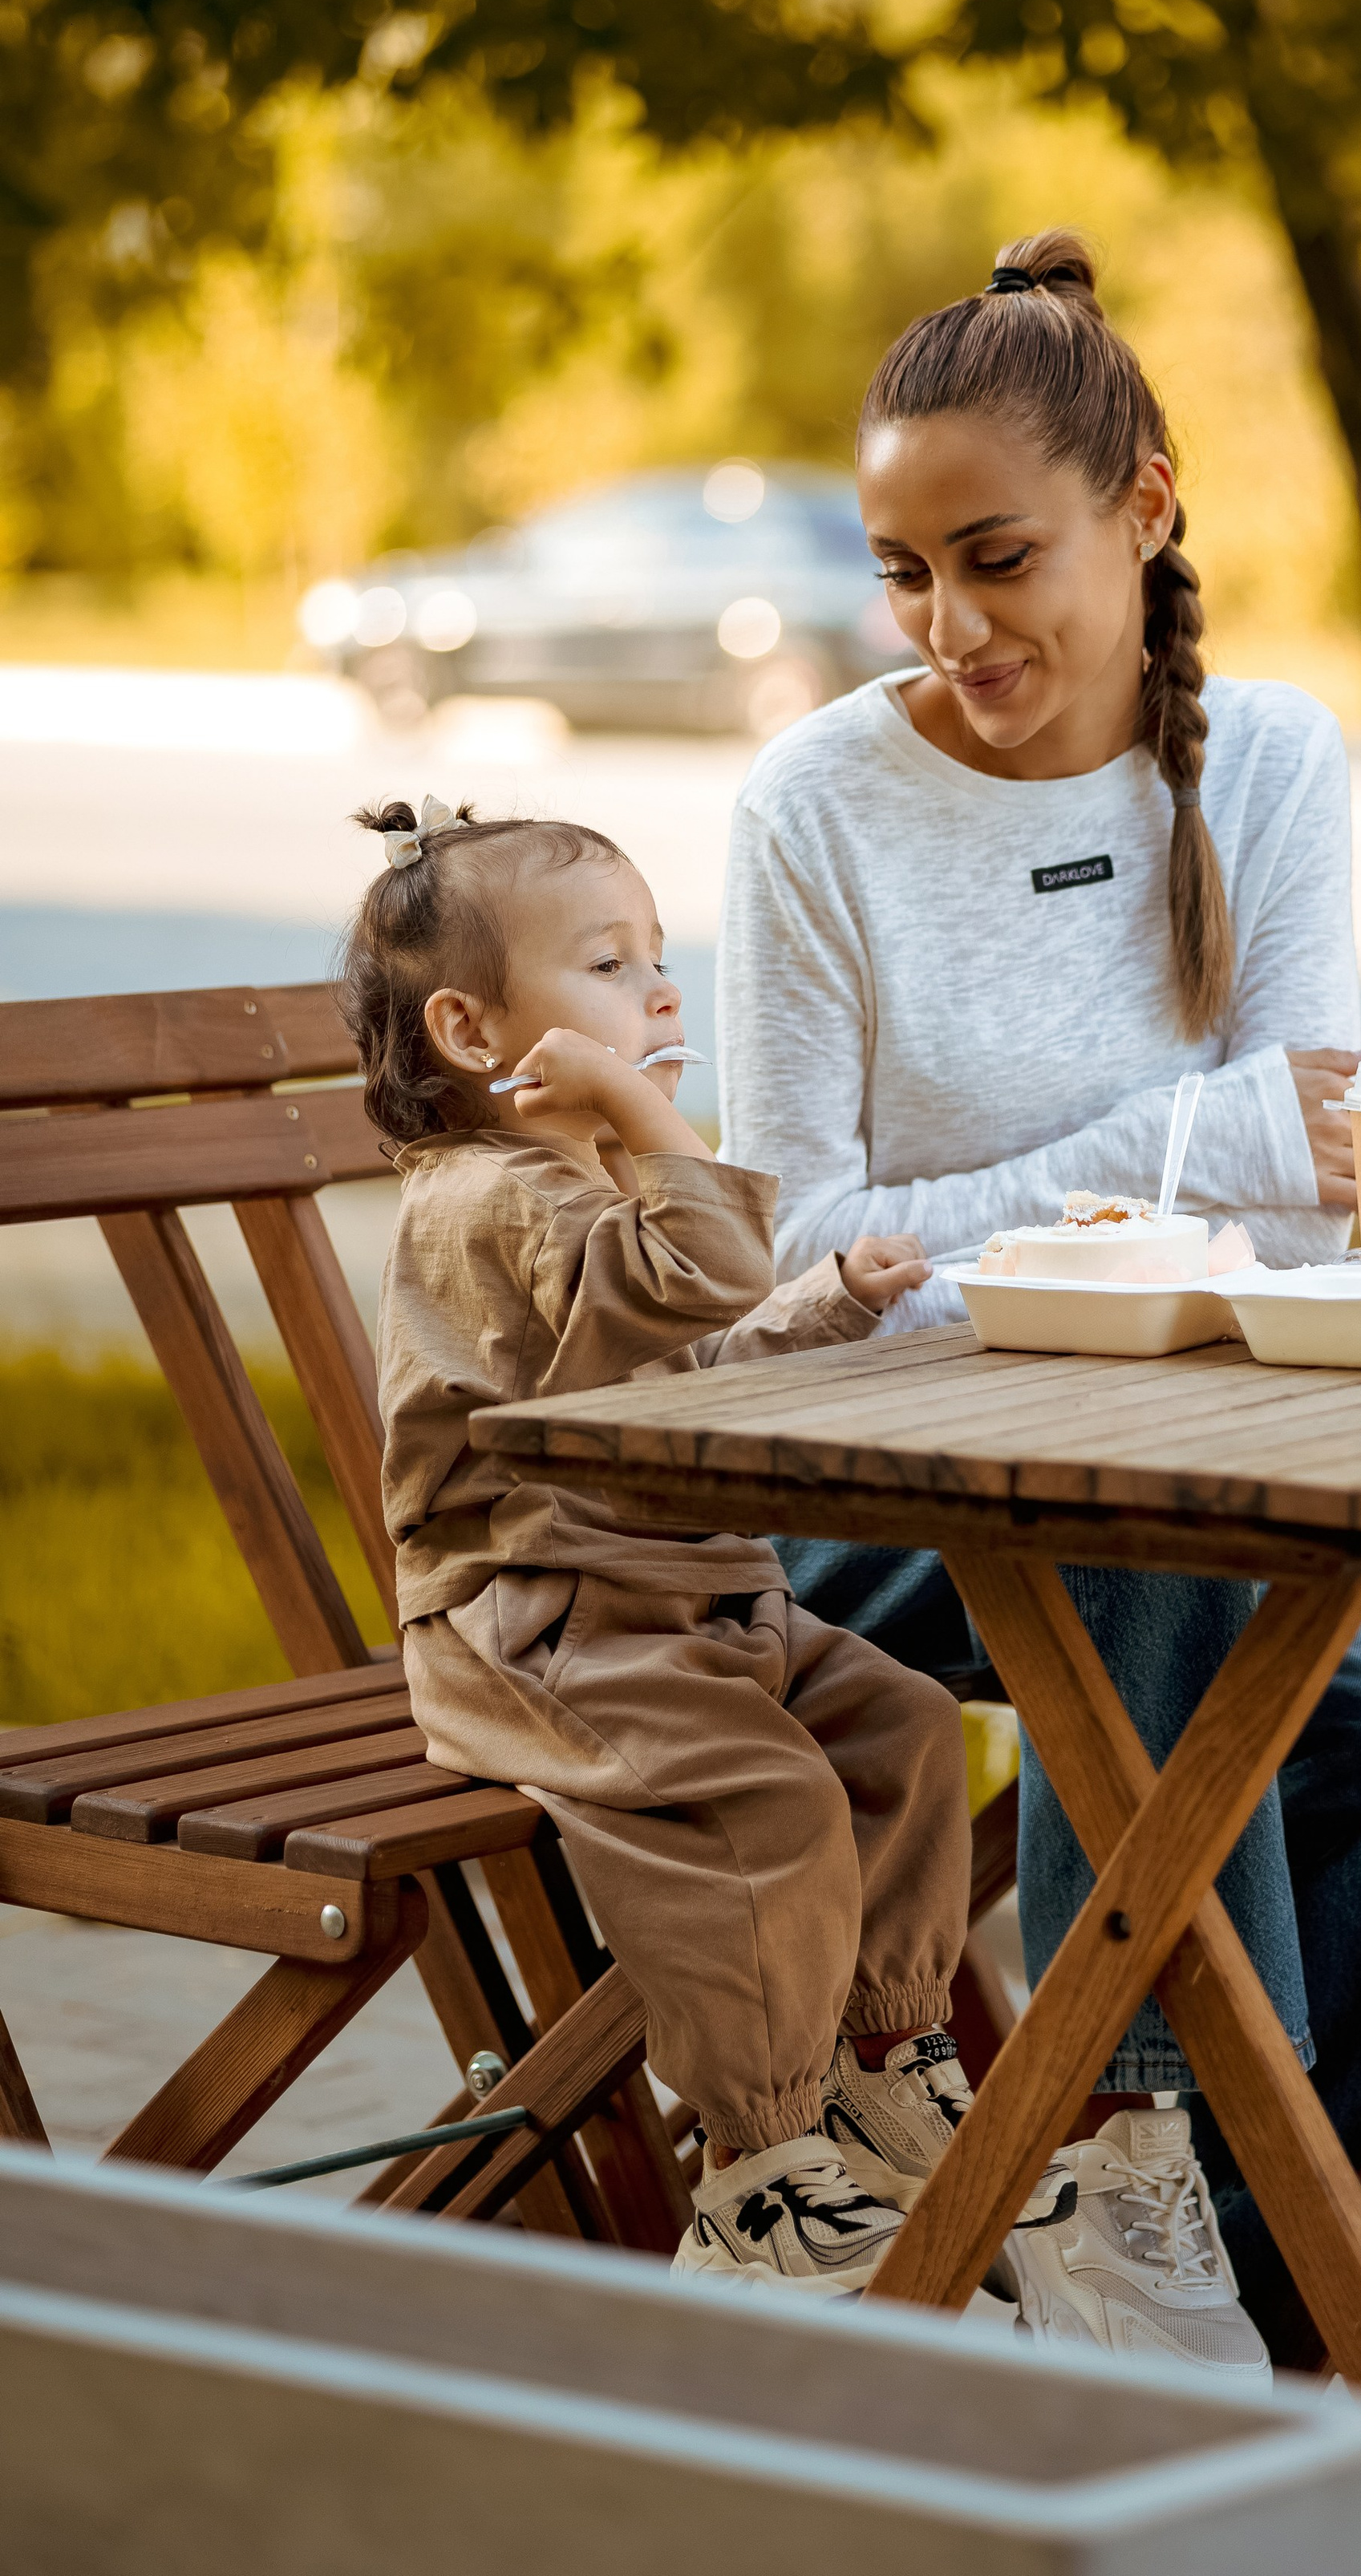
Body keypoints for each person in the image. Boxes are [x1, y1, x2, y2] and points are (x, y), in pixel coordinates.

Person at [718, 229, 1361, 2376]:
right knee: (1138, 1542)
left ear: (1143, 508)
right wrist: (1189, 1156)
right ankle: (1133, 2177)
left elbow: (1319, 1222)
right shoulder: (815, 809)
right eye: (903, 572)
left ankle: (1293, 2370)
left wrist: (1190, 1190)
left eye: (998, 558)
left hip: (1143, 1501)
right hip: (839, 1506)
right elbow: (805, 1270)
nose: (952, 627)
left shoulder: (1258, 764)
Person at [343, 792, 1036, 2302]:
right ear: (474, 1033)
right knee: (768, 1805)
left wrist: (825, 1308)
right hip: (538, 1629)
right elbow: (701, 1273)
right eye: (607, 966)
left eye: (658, 956)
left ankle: (889, 2066)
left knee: (905, 1723)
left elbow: (695, 1362)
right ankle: (759, 2175)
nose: (661, 991)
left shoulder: (580, 1201)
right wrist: (657, 1122)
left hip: (689, 1606)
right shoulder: (486, 1200)